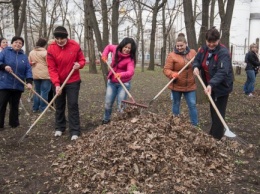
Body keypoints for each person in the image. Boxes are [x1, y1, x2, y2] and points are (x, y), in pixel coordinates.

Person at [193, 27, 233, 140]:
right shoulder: (204, 49)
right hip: (210, 86)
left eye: (213, 42)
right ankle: (213, 132)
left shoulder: (223, 52)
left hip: (221, 87)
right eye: (208, 42)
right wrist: (196, 67)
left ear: (218, 40)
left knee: (218, 111)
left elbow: (222, 72)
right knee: (213, 109)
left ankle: (216, 137)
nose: (210, 45)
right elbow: (197, 59)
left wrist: (211, 84)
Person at [47, 26, 86, 140]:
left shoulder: (74, 45)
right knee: (59, 104)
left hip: (73, 80)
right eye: (57, 38)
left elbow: (82, 60)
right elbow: (52, 68)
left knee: (73, 104)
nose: (59, 40)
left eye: (62, 38)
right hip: (58, 81)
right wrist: (57, 84)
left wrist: (80, 64)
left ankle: (74, 130)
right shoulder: (51, 48)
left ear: (66, 37)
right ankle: (60, 127)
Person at [163, 33, 198, 126]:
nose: (179, 48)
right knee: (176, 104)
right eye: (177, 46)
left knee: (192, 105)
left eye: (181, 45)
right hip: (176, 85)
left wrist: (200, 57)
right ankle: (175, 122)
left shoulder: (193, 53)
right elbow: (166, 69)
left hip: (190, 85)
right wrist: (172, 74)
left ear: (186, 44)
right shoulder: (172, 55)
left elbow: (198, 62)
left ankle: (194, 125)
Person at [101, 37, 136, 124]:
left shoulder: (130, 60)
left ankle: (120, 123)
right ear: (122, 45)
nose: (127, 49)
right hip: (112, 82)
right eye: (126, 47)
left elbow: (130, 72)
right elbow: (108, 47)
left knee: (121, 106)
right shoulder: (116, 49)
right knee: (108, 103)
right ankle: (106, 120)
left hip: (123, 84)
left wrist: (121, 74)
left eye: (129, 48)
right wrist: (104, 55)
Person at [0, 36, 33, 130]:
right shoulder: (5, 52)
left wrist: (29, 81)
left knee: (15, 105)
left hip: (18, 84)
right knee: (2, 104)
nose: (17, 44)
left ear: (22, 45)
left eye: (20, 43)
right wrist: (4, 66)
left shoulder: (24, 56)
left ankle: (14, 123)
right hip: (5, 83)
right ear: (12, 43)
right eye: (16, 42)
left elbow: (28, 70)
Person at [29, 38, 52, 113]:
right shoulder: (45, 53)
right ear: (45, 45)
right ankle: (43, 108)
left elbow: (29, 62)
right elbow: (50, 63)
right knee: (44, 92)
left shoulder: (31, 52)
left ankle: (35, 108)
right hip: (46, 75)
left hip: (35, 74)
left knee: (37, 91)